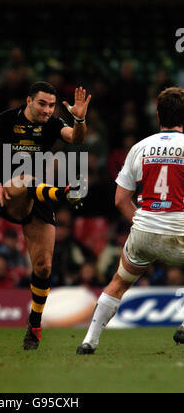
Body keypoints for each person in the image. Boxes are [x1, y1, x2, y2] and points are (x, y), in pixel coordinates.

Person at [0, 81, 91, 350]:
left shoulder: (52, 123)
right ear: (28, 101)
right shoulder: (6, 120)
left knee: (43, 267)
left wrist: (80, 119)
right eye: (42, 103)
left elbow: (77, 138)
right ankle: (63, 194)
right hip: (8, 192)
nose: (47, 110)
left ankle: (34, 324)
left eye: (51, 105)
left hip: (37, 194)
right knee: (27, 176)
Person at [76, 86, 184, 355]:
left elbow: (120, 199)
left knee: (119, 282)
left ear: (158, 114)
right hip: (181, 231)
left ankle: (89, 341)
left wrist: (146, 222)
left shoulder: (140, 148)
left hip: (144, 232)